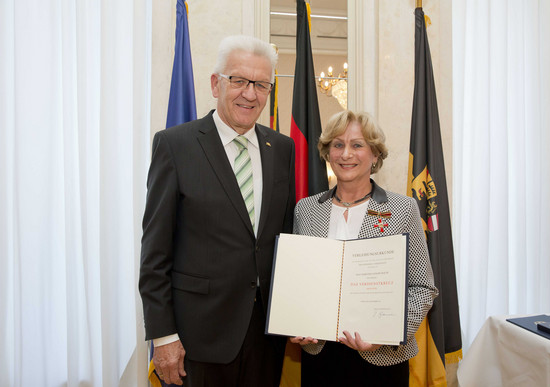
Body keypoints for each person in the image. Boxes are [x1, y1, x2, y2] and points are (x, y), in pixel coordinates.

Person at [139, 35, 295, 386]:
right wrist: (163, 337)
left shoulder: (282, 149)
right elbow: (155, 254)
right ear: (215, 83)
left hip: (266, 338)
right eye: (238, 81)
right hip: (197, 339)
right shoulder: (175, 146)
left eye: (261, 84)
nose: (250, 94)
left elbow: (284, 241)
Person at [289, 110, 438, 386]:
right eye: (337, 144)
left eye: (357, 145)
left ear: (375, 155)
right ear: (327, 152)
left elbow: (423, 288)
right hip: (319, 355)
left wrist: (386, 334)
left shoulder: (402, 209)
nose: (346, 154)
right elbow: (299, 284)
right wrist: (294, 322)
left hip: (381, 359)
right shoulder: (306, 210)